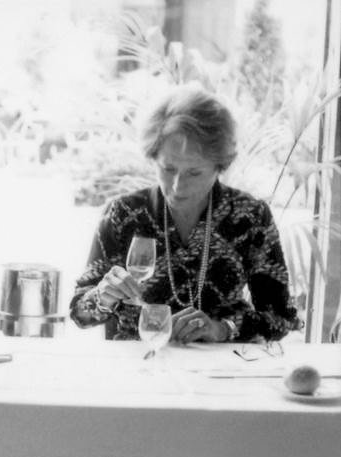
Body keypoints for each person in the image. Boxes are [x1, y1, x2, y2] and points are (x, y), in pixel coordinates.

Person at [70, 85, 300, 342]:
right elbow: (80, 313)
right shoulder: (123, 214)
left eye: (194, 172)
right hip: (138, 367)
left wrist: (222, 328)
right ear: (153, 157)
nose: (178, 186)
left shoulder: (250, 218)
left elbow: (281, 318)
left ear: (219, 166)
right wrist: (102, 298)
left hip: (219, 371)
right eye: (168, 169)